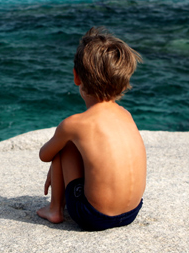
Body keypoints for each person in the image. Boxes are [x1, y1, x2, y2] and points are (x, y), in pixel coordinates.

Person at [37, 27, 145, 231]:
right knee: (79, 143)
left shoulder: (75, 124)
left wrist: (56, 163)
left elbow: (44, 155)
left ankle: (55, 209)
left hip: (94, 217)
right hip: (132, 212)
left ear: (76, 77)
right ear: (123, 82)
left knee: (64, 145)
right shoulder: (125, 115)